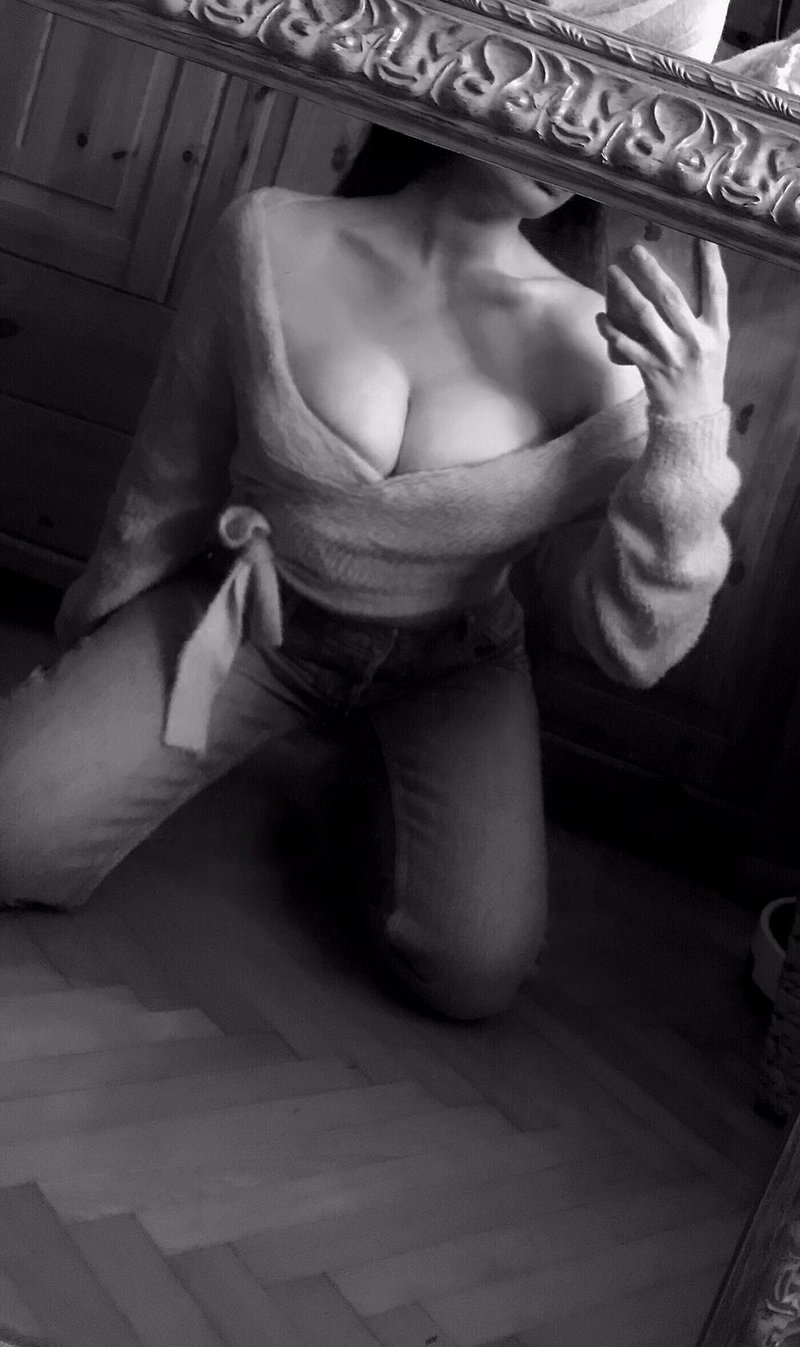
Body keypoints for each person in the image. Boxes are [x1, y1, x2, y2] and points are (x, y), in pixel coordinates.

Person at [0, 128, 739, 1020]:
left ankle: (362, 790)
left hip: (451, 666)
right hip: (250, 617)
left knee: (472, 971)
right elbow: (169, 479)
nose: (578, 136)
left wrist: (689, 431)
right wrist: (90, 660)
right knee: (11, 833)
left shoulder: (606, 356)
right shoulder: (267, 237)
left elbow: (632, 648)